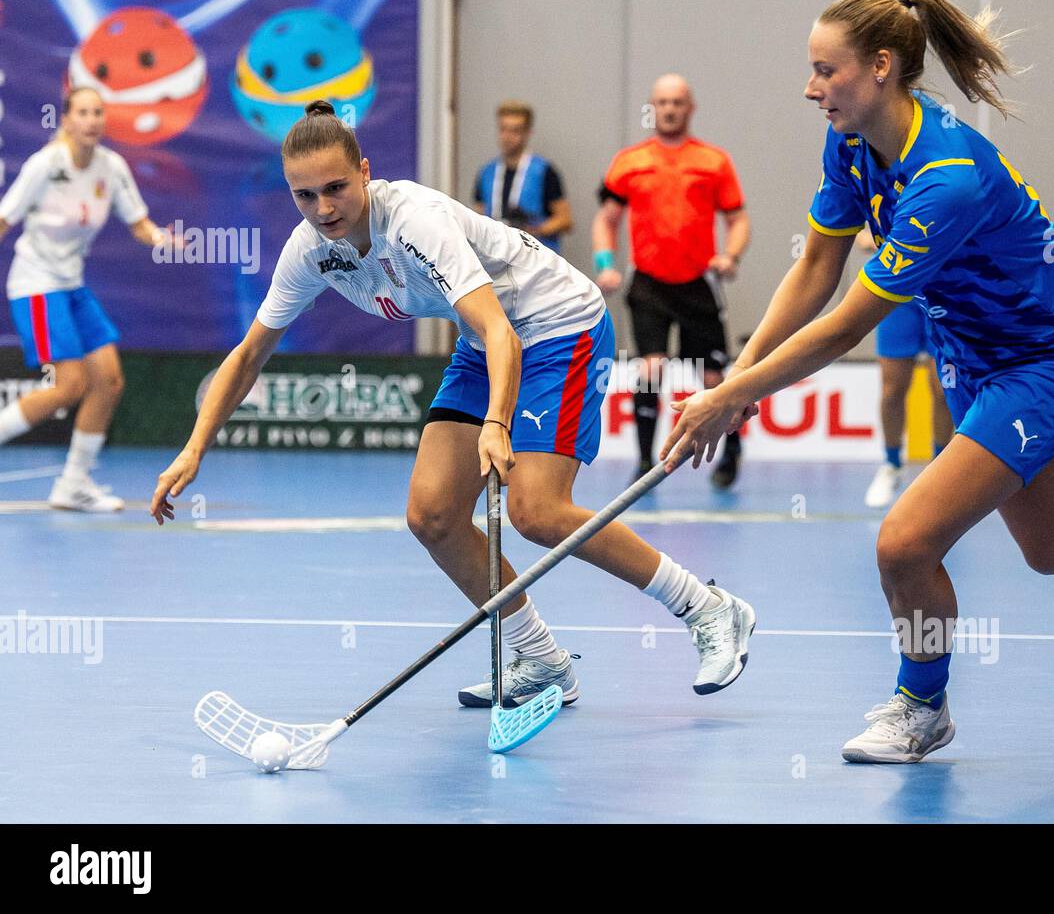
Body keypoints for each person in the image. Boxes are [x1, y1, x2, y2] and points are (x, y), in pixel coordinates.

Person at [664, 0, 1054, 763]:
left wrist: (733, 397)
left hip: (1044, 360)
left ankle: (922, 706)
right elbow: (816, 264)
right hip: (973, 355)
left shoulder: (947, 178)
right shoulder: (851, 143)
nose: (810, 88)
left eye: (826, 70)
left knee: (905, 543)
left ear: (881, 67)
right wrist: (734, 382)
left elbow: (849, 322)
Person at [150, 100, 756, 709]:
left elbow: (503, 332)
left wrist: (496, 424)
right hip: (482, 339)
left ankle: (708, 608)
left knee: (538, 511)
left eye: (335, 188)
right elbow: (249, 354)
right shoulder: (310, 250)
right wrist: (193, 448)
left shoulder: (413, 219)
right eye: (303, 196)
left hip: (556, 325)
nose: (323, 209)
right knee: (432, 516)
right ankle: (543, 660)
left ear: (365, 171)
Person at [0, 87, 176, 511]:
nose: (93, 120)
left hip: (72, 284)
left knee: (109, 381)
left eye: (98, 112)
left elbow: (139, 223)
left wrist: (161, 239)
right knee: (70, 385)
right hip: (36, 283)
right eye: (83, 112)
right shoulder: (45, 165)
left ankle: (73, 484)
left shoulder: (111, 168)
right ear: (66, 119)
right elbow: (5, 218)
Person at [591, 74, 750, 488]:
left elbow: (737, 220)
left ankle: (731, 452)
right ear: (652, 107)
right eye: (662, 102)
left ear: (690, 108)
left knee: (714, 379)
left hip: (698, 283)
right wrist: (606, 262)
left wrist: (729, 256)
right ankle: (646, 463)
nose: (669, 109)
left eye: (677, 102)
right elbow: (606, 220)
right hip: (648, 283)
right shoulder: (629, 162)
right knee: (650, 369)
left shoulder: (714, 161)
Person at [856, 229, 955, 507]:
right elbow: (862, 229)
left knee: (943, 389)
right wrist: (870, 239)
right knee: (892, 390)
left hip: (944, 292)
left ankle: (941, 469)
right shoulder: (881, 187)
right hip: (897, 295)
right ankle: (891, 464)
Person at [473, 101, 572, 254]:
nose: (508, 137)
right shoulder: (487, 172)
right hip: (495, 257)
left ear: (527, 132)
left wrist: (533, 229)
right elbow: (477, 217)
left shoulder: (544, 171)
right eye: (503, 129)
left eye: (515, 131)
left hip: (534, 257)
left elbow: (565, 220)